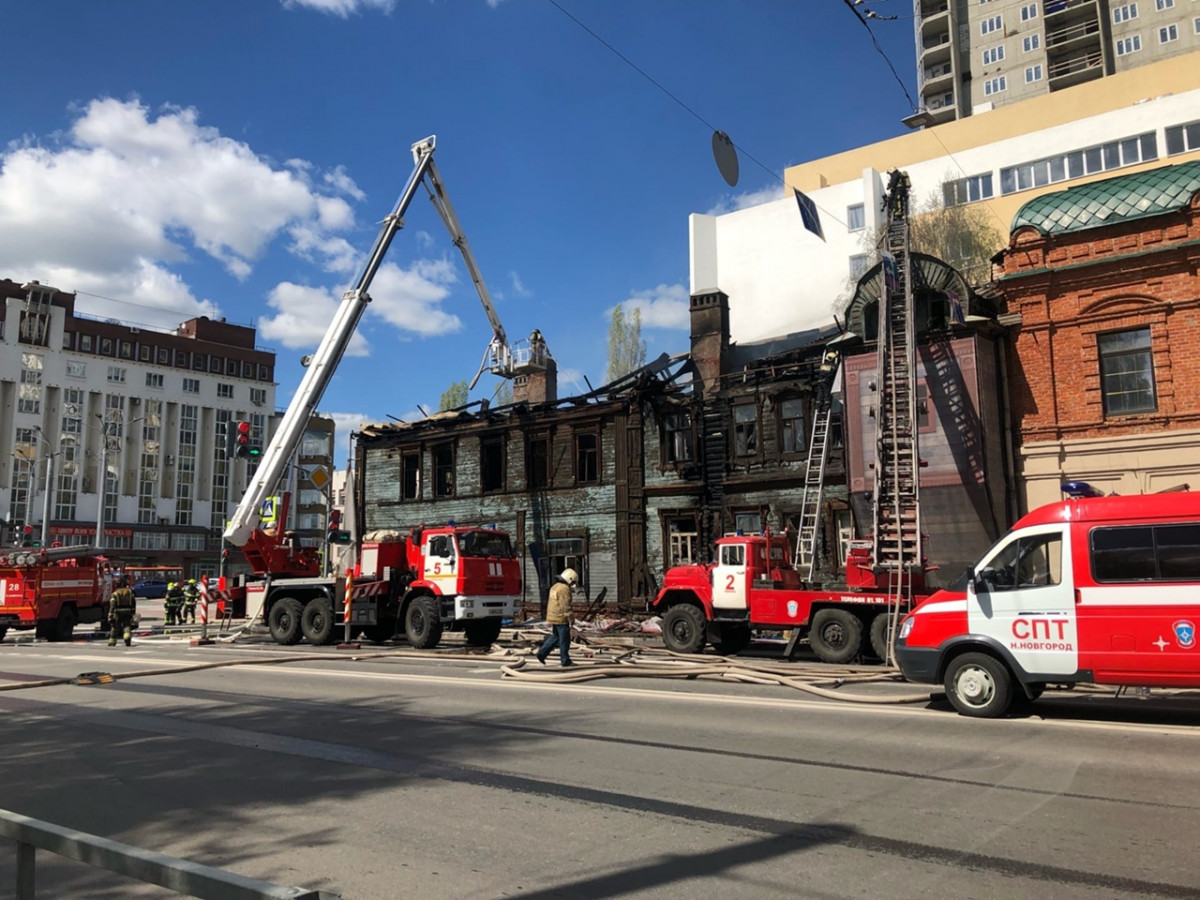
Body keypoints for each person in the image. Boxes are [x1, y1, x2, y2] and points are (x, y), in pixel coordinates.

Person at [536, 568, 578, 667]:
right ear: (570, 579)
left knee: (555, 637)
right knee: (565, 640)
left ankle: (542, 653)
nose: (573, 585)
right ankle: (565, 660)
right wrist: (571, 618)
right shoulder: (564, 589)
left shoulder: (555, 586)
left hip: (553, 616)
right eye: (573, 582)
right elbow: (565, 605)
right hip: (561, 617)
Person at [107, 577, 137, 647]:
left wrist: (110, 616)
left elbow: (112, 605)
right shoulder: (129, 592)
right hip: (128, 612)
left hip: (117, 613)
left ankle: (112, 641)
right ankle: (127, 638)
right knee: (127, 626)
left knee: (115, 627)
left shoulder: (115, 594)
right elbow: (133, 603)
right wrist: (133, 613)